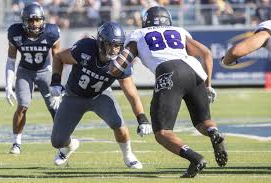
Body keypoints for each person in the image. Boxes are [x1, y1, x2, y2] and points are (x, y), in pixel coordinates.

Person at [108, 6, 228, 178]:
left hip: (167, 70)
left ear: (146, 21)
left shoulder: (138, 34)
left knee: (162, 132)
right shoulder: (179, 31)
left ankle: (195, 159)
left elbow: (119, 66)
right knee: (204, 121)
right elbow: (206, 54)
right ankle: (214, 132)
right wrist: (208, 85)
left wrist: (112, 64)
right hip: (194, 70)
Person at [49, 21, 152, 169]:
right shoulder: (85, 48)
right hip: (74, 96)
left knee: (118, 124)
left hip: (100, 95)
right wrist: (55, 81)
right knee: (57, 141)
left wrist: (142, 118)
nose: (114, 49)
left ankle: (128, 155)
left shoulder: (121, 62)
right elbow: (59, 57)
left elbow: (132, 93)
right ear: (100, 43)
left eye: (117, 45)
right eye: (110, 44)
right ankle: (69, 146)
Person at [5, 2, 61, 154]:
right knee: (22, 106)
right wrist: (8, 85)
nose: (35, 24)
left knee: (56, 108)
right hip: (25, 71)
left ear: (43, 20)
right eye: (31, 20)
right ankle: (16, 143)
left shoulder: (52, 32)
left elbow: (58, 59)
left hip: (45, 71)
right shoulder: (15, 33)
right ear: (24, 21)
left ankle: (62, 141)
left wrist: (57, 81)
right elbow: (11, 60)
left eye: (38, 20)